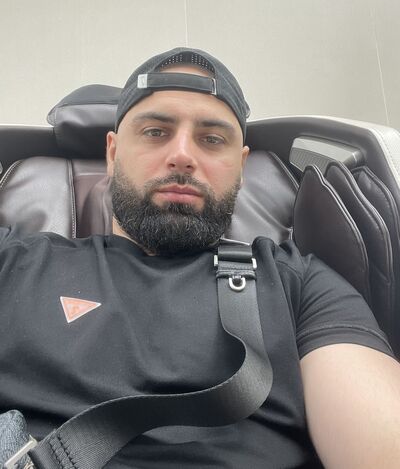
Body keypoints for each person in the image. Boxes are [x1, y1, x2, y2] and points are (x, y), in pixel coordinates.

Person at [1, 47, 400, 468]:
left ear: (240, 166)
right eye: (155, 132)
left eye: (212, 139)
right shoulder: (14, 264)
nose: (183, 155)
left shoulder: (300, 288)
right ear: (113, 154)